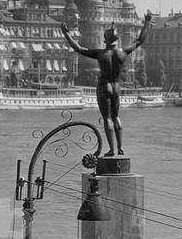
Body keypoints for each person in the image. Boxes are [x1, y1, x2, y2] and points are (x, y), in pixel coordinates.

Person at [60, 10, 153, 156]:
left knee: (107, 118)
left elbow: (79, 48)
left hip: (104, 86)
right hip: (116, 86)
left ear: (106, 40)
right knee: (116, 117)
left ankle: (111, 149)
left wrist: (66, 34)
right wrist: (147, 22)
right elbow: (140, 40)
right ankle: (120, 147)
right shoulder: (123, 52)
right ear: (117, 39)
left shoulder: (101, 53)